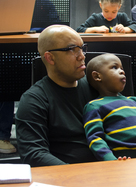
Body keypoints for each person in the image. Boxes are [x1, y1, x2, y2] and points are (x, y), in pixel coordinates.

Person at [15, 25, 100, 167]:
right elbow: (34, 154)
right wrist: (75, 175)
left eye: (82, 48)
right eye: (72, 49)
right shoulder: (34, 100)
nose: (82, 56)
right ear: (50, 58)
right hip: (67, 176)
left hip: (109, 169)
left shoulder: (97, 86)